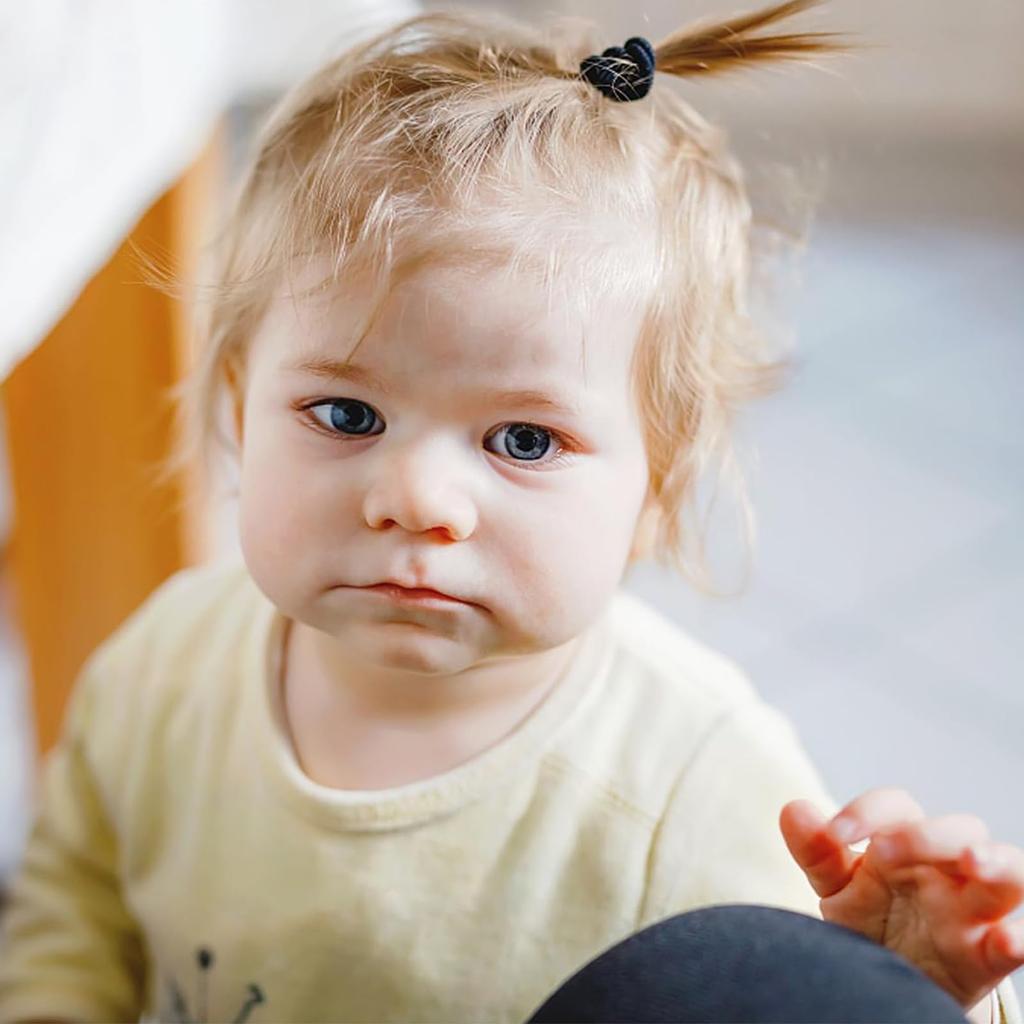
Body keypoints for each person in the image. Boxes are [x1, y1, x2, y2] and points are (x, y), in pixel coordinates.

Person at [2, 1, 1023, 1021]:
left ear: (654, 489)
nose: (418, 498)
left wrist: (915, 984)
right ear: (238, 410)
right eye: (347, 413)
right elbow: (78, 896)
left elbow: (809, 1001)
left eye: (523, 440)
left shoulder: (701, 791)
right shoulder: (167, 662)